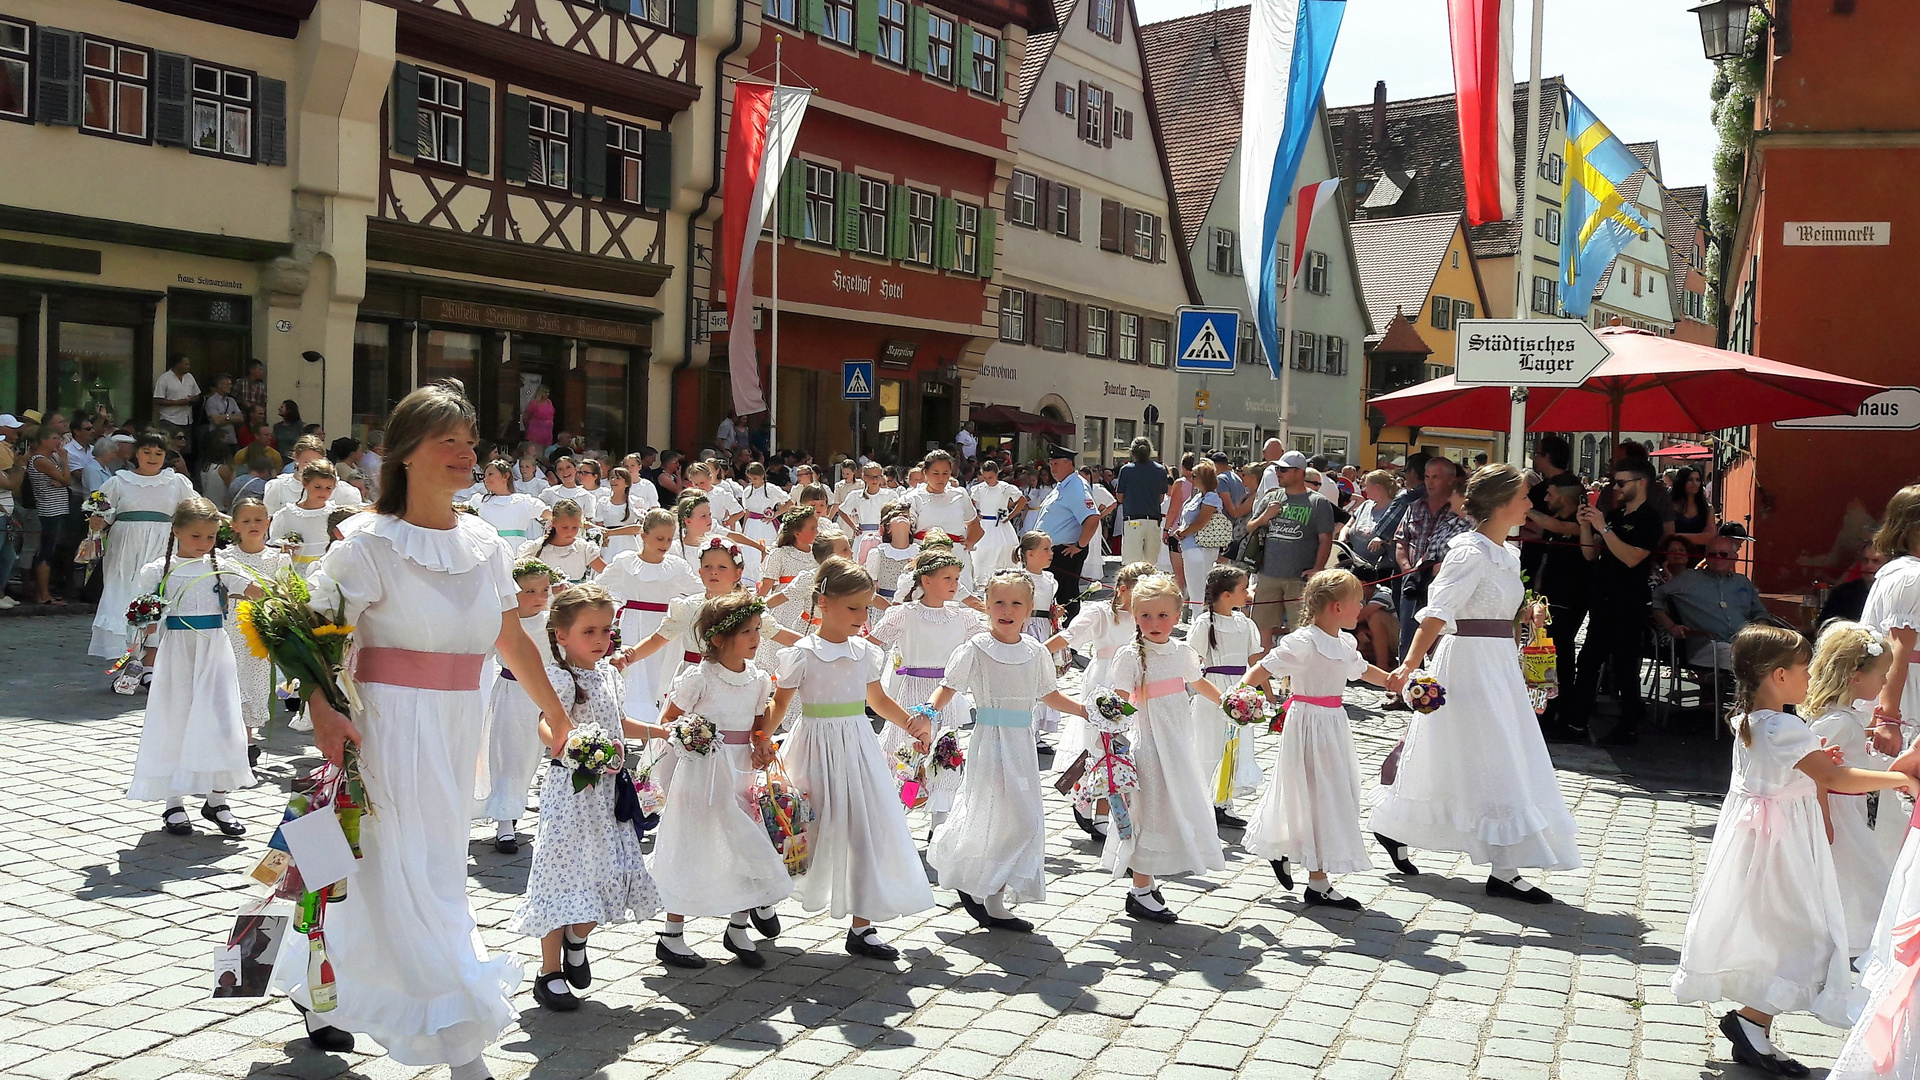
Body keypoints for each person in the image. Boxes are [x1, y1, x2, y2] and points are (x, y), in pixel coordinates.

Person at [283, 380, 574, 1070]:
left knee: (416, 870)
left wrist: (557, 712)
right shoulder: (365, 544)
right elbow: (314, 637)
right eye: (448, 439)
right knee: (411, 877)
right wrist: (325, 709)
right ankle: (456, 1042)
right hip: (386, 727)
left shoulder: (482, 542)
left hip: (454, 726)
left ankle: (318, 975)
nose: (464, 453)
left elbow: (512, 638)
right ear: (406, 452)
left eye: (470, 441)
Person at [1672, 626, 1920, 1075]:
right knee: (1805, 935)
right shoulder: (1786, 727)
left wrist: (1815, 759)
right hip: (1782, 845)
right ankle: (1752, 1022)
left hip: (1766, 839)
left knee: (1788, 933)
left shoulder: (1756, 718)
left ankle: (1753, 1023)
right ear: (1779, 675)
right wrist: (1903, 779)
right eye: (1804, 668)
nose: (1811, 675)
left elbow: (1800, 770)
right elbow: (1837, 780)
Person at [1370, 464, 1582, 903]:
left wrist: (1523, 616)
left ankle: (1401, 828)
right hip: (1467, 664)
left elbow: (1491, 608)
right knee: (1490, 754)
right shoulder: (1468, 551)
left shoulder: (1508, 553)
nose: (1530, 504)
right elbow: (1437, 609)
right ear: (1502, 502)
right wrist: (1409, 664)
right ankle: (1503, 867)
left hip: (1499, 663)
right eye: (1524, 497)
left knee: (1483, 753)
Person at [765, 558, 936, 960]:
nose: (862, 617)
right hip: (812, 748)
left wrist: (911, 723)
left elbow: (876, 700)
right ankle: (763, 896)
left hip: (857, 746)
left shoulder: (864, 653)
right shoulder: (802, 654)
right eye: (852, 608)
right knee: (804, 824)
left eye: (865, 607)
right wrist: (758, 738)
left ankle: (863, 924)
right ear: (823, 603)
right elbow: (779, 706)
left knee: (865, 827)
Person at [508, 584, 664, 1006]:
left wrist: (662, 731)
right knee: (562, 876)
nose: (601, 640)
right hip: (571, 793)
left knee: (607, 871)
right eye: (589, 632)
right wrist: (565, 742)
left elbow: (619, 721)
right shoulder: (560, 677)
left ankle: (578, 938)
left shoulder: (609, 674)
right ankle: (549, 971)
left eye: (606, 631)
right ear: (561, 635)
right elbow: (546, 720)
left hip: (609, 794)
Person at [927, 569, 1089, 931]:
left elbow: (1047, 694)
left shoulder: (1034, 652)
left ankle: (989, 890)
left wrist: (1083, 709)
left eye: (1017, 602)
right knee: (994, 812)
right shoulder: (975, 649)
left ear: (1031, 609)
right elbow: (948, 686)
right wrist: (926, 713)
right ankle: (981, 886)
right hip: (990, 742)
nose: (1007, 609)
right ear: (986, 605)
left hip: (1022, 745)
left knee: (1023, 820)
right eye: (999, 601)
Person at [649, 592, 795, 968]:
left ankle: (738, 925)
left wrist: (763, 742)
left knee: (745, 843)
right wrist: (693, 736)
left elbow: (758, 724)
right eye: (746, 631)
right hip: (702, 771)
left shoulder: (759, 680)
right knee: (691, 844)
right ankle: (672, 933)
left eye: (757, 630)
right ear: (717, 639)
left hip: (740, 770)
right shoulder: (700, 677)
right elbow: (669, 721)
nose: (755, 637)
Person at [1240, 568, 1398, 910]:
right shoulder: (1303, 642)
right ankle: (1318, 880)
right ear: (1336, 607)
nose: (1361, 608)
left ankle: (1287, 850)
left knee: (1333, 792)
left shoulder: (1343, 642)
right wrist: (1241, 697)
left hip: (1334, 723)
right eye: (1357, 602)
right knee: (1315, 794)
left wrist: (1394, 683)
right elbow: (1262, 669)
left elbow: (1360, 669)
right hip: (1307, 723)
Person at [125, 497, 257, 836]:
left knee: (222, 719)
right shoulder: (159, 570)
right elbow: (143, 612)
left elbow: (254, 591)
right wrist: (145, 619)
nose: (204, 543)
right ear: (177, 531)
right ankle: (173, 802)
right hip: (177, 653)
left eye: (211, 537)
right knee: (176, 717)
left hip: (214, 650)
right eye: (196, 536)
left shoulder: (222, 567)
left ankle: (218, 799)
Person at [1103, 574, 1227, 923]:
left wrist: (1229, 703)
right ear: (1133, 615)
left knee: (1175, 806)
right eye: (1145, 615)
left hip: (1179, 744)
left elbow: (1199, 682)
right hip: (1150, 746)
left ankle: (1149, 878)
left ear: (1177, 615)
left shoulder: (1182, 652)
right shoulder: (1131, 657)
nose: (1154, 623)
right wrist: (1110, 724)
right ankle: (1140, 887)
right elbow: (1122, 701)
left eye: (1162, 615)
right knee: (1151, 809)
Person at [1804, 621, 1905, 957]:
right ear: (1855, 677)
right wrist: (1823, 818)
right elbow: (1821, 772)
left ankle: (1846, 940)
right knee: (1865, 879)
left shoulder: (1843, 718)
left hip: (1850, 811)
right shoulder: (1838, 722)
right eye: (1882, 673)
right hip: (1840, 816)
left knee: (1855, 879)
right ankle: (1861, 944)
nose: (1886, 681)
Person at [869, 550, 987, 818]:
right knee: (905, 755)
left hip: (946, 693)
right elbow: (871, 646)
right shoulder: (904, 614)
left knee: (944, 756)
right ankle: (901, 813)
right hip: (912, 692)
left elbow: (984, 645)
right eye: (947, 578)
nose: (954, 584)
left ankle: (939, 822)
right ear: (926, 580)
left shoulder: (963, 616)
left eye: (956, 578)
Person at [1564, 459, 1662, 746]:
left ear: (1641, 483)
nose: (1615, 488)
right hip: (1603, 597)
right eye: (1613, 482)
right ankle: (1576, 723)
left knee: (1624, 666)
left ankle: (1629, 726)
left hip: (1629, 601)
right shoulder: (1616, 515)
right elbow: (1590, 555)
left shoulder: (1649, 518)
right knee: (1589, 660)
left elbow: (1633, 558)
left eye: (1621, 483)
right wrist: (1585, 527)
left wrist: (1604, 528)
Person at [89, 432, 196, 660]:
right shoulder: (119, 482)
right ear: (136, 453)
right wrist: (97, 519)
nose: (152, 457)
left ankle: (149, 664)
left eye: (158, 453)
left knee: (156, 597)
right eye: (146, 452)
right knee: (123, 595)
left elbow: (194, 510)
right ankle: (127, 662)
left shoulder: (175, 482)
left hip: (162, 546)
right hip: (125, 550)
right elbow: (102, 512)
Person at [1188, 566, 1261, 830]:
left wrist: (1266, 696)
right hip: (1213, 691)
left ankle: (1223, 803)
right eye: (1243, 589)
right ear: (1227, 595)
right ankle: (1204, 802)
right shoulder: (1204, 623)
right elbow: (1190, 661)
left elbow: (1255, 662)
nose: (1248, 594)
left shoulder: (1246, 624)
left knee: (1234, 747)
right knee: (1210, 745)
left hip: (1241, 690)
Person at [1244, 451, 1338, 648]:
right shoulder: (1273, 497)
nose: (1278, 473)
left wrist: (1318, 569)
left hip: (1299, 577)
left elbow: (1326, 539)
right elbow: (1250, 527)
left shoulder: (1317, 502)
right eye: (1277, 469)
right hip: (1268, 573)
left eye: (1283, 470)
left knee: (1301, 630)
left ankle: (1295, 676)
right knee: (1262, 629)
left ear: (1299, 472)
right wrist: (1266, 516)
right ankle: (1263, 677)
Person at [222, 498, 290, 756]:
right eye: (246, 521)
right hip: (231, 625)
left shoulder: (277, 558)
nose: (253, 525)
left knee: (257, 679)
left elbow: (285, 591)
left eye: (259, 520)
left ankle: (249, 738)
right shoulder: (224, 558)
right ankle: (233, 737)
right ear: (235, 526)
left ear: (269, 523)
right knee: (233, 677)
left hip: (262, 627)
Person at [1531, 473, 1594, 739]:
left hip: (1571, 598)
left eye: (1551, 494)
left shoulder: (1581, 523)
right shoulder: (1557, 522)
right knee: (1548, 656)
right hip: (1549, 596)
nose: (1546, 499)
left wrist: (1523, 507)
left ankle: (1561, 714)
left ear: (1565, 498)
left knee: (1562, 658)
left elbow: (1558, 528)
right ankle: (1548, 711)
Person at [1653, 536, 1773, 671]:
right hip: (1708, 645)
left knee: (1783, 654)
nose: (1717, 557)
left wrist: (1761, 629)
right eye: (1712, 554)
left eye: (1723, 554)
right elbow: (1654, 599)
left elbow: (1760, 612)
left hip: (1746, 643)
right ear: (1706, 558)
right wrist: (1671, 625)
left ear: (1734, 557)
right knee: (1747, 660)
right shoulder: (1688, 579)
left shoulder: (1742, 582)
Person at [1391, 457, 1468, 663]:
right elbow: (1400, 542)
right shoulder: (1414, 506)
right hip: (1414, 581)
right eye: (1426, 477)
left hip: (1445, 583)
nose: (1429, 482)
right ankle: (1403, 686)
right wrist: (1409, 571)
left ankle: (1433, 687)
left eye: (1436, 477)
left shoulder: (1458, 513)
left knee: (1439, 637)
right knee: (1407, 635)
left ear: (1451, 480)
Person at [1864, 484, 1920, 750]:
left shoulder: (1901, 571)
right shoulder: (1911, 577)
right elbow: (1899, 648)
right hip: (1906, 694)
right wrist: (1888, 720)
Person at [1034, 446, 1101, 623]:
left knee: (1066, 594)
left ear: (1069, 464)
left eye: (1056, 463)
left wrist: (1080, 545)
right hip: (1051, 551)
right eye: (1051, 463)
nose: (1052, 468)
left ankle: (1068, 637)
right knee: (1053, 593)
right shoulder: (1063, 486)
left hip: (1064, 551)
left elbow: (1092, 518)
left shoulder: (1076, 487)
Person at [903, 450, 982, 572]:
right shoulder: (913, 497)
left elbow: (973, 523)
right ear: (925, 473)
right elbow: (905, 531)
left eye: (945, 473)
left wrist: (969, 542)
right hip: (925, 555)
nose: (941, 478)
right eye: (935, 473)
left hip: (956, 555)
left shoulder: (960, 495)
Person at [1169, 460, 1226, 619]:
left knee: (1199, 588)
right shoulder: (1198, 496)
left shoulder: (1211, 497)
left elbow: (1202, 521)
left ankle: (1200, 622)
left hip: (1201, 547)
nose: (1191, 478)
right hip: (1190, 546)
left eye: (1194, 476)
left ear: (1203, 478)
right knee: (1195, 588)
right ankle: (1198, 621)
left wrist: (1183, 532)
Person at [26, 425, 74, 605]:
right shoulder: (40, 460)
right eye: (55, 438)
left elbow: (62, 480)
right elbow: (67, 479)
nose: (59, 442)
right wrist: (65, 460)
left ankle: (43, 593)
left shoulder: (50, 458)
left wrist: (61, 479)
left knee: (50, 550)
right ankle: (43, 594)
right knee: (46, 551)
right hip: (49, 510)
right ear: (44, 440)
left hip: (58, 508)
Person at [270, 461, 342, 576]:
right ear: (305, 482)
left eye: (328, 488)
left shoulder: (335, 514)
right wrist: (284, 547)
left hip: (326, 570)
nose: (323, 492)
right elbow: (275, 544)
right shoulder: (287, 514)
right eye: (317, 487)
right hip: (297, 570)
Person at [1114, 437, 1169, 570]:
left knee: (1132, 564)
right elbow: (1161, 498)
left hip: (1133, 519)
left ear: (1132, 452)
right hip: (1153, 519)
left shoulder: (1126, 470)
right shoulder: (1160, 470)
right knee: (1150, 564)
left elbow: (1120, 497)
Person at [1339, 470, 1397, 581]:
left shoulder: (1395, 510)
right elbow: (1348, 525)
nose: (1364, 489)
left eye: (1366, 486)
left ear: (1377, 487)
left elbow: (1398, 539)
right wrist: (1343, 537)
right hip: (1354, 566)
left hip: (1379, 572)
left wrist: (1382, 539)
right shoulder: (1366, 504)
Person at [969, 458, 1023, 576]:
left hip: (1001, 525)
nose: (987, 480)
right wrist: (976, 514)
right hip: (983, 525)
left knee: (1005, 549)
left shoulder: (1004, 488)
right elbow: (972, 504)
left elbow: (1022, 500)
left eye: (990, 477)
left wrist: (1010, 515)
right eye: (985, 477)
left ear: (996, 474)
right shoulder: (978, 489)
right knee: (981, 551)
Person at [152, 354, 201, 454]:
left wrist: (193, 399)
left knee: (185, 451)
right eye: (186, 364)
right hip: (170, 419)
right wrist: (178, 403)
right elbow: (157, 400)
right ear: (178, 364)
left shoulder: (190, 377)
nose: (189, 366)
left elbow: (197, 395)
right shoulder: (164, 378)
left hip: (187, 420)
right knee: (169, 449)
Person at [1669, 466, 1718, 548]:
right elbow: (1667, 536)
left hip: (1699, 556)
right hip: (1674, 554)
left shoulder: (1707, 508)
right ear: (1681, 481)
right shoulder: (1669, 506)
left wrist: (1677, 536)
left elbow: (1710, 537)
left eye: (1697, 480)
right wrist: (1698, 537)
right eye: (1690, 480)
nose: (1694, 483)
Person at [202, 373, 243, 468]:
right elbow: (216, 421)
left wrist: (224, 417)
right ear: (220, 385)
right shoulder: (211, 401)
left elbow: (240, 418)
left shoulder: (231, 401)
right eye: (227, 384)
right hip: (217, 440)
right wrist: (231, 417)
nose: (230, 386)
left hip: (232, 440)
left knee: (231, 465)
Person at [522, 386, 555, 452]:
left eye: (548, 392)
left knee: (546, 455)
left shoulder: (549, 402)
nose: (547, 394)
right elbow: (525, 418)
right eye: (545, 392)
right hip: (535, 434)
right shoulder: (533, 403)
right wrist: (529, 429)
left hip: (547, 434)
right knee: (537, 454)